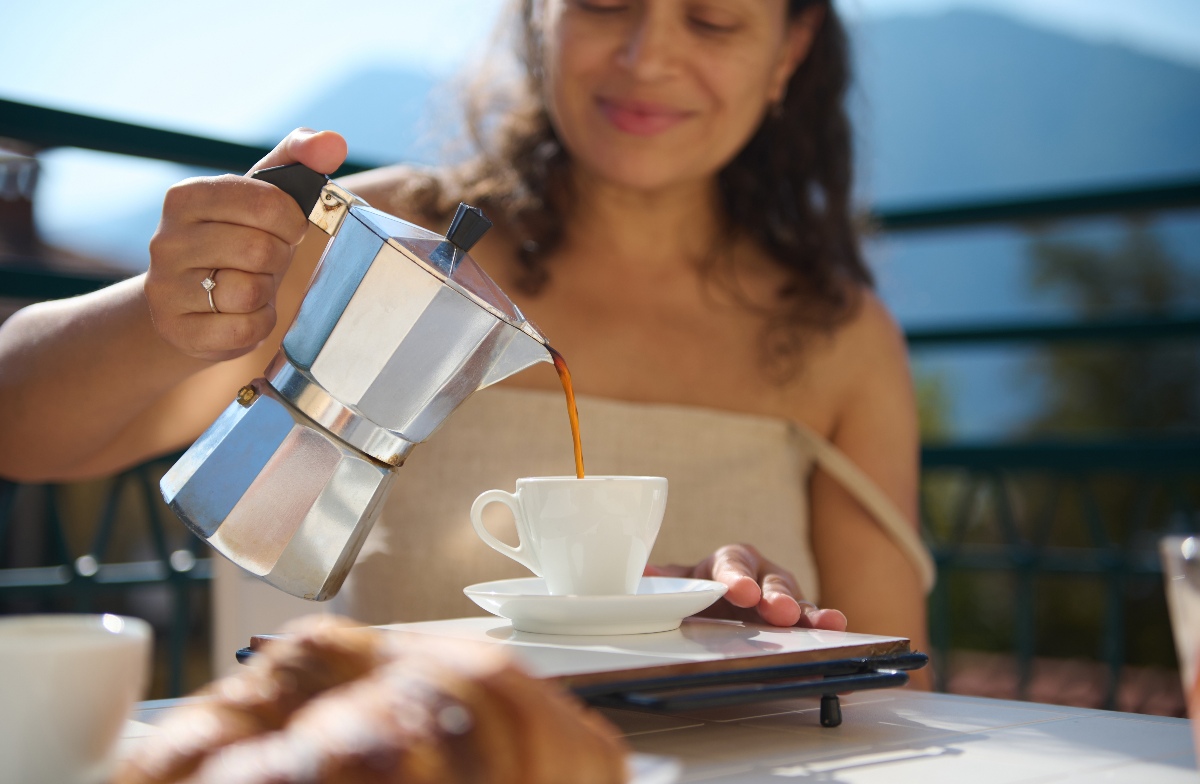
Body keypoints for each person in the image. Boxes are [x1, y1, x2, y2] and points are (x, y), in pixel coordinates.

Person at [0, 0, 932, 676]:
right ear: (540, 18)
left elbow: (897, 677)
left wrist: (770, 644)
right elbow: (21, 428)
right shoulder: (394, 241)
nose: (650, 54)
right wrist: (162, 313)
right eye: (608, 4)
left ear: (790, 48)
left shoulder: (836, 335)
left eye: (714, 20)